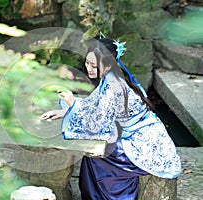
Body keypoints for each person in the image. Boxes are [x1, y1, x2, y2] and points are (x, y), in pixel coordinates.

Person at [40, 35, 181, 200]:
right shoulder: (112, 76)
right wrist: (66, 111)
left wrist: (73, 104)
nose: (89, 69)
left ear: (107, 64)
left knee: (99, 155)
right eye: (87, 63)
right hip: (142, 133)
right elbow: (97, 106)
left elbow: (96, 124)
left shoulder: (114, 84)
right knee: (93, 155)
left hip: (143, 144)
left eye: (94, 65)